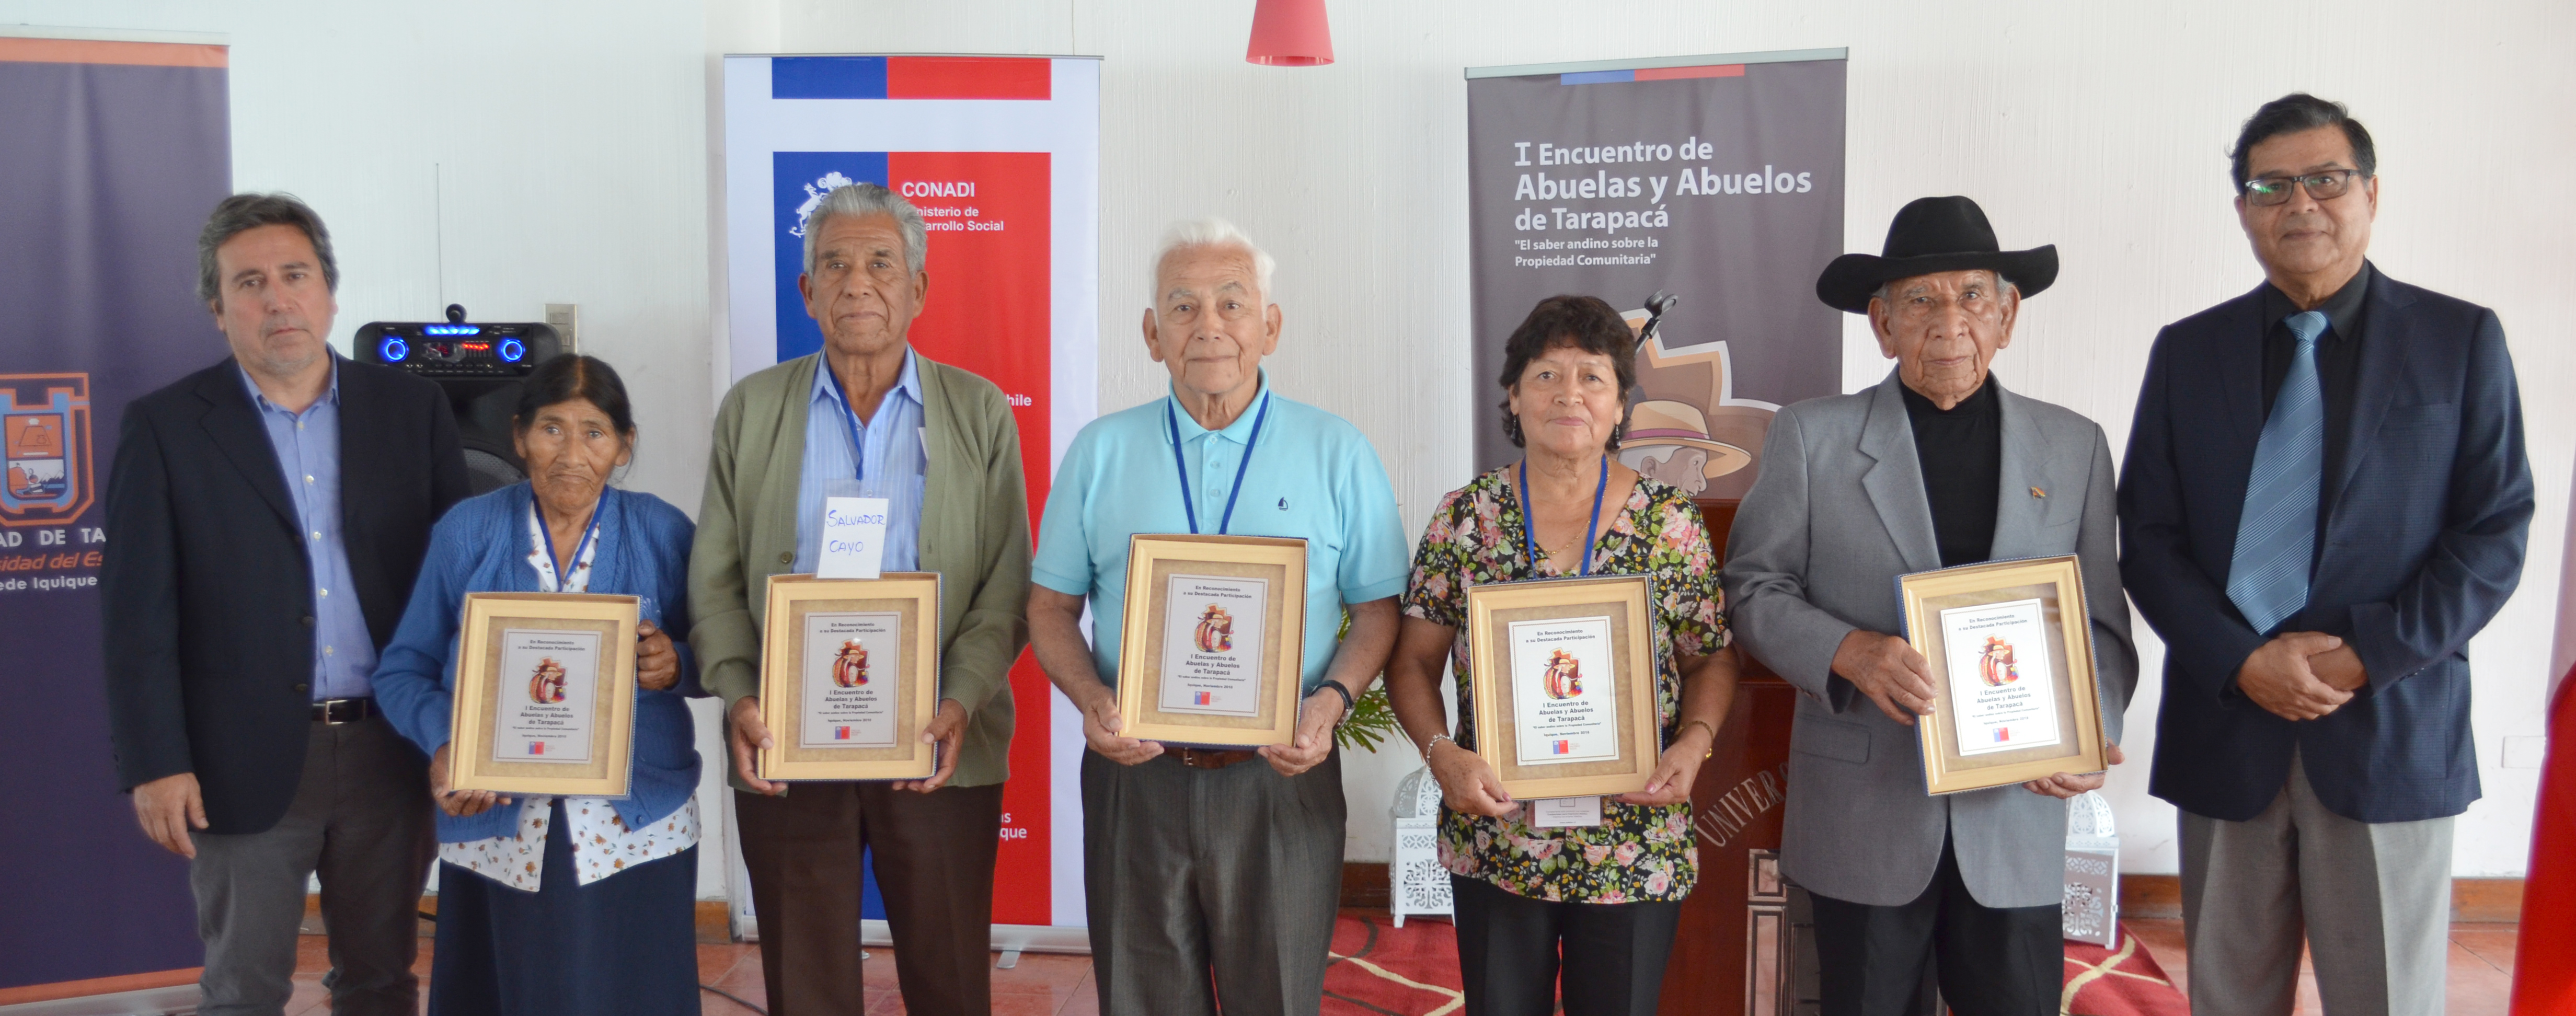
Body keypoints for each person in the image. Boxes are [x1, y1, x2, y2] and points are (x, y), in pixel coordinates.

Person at [2119, 94, 2533, 1016]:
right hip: (2225, 722)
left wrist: (2364, 654)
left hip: (2387, 724)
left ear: (2369, 193)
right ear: (2241, 209)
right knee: (2226, 995)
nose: (2299, 202)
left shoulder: (2458, 339)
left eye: (2324, 178)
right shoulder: (2187, 351)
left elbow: (2493, 528)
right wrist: (2241, 658)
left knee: (2387, 995)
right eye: (2270, 184)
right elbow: (2144, 535)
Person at [1721, 195, 2137, 1015]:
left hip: (2017, 812)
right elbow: (1753, 590)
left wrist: (2095, 731)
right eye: (1920, 300)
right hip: (1865, 816)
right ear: (1882, 324)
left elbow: (2100, 621)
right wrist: (1848, 651)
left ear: (2008, 314)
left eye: (1972, 295)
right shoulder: (1812, 437)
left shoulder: (2076, 444)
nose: (1951, 319)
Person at [1026, 218, 1409, 1015]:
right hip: (1137, 776)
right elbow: (1051, 608)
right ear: (1150, 332)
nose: (1210, 327)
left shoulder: (1338, 451)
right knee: (1140, 999)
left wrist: (1329, 705)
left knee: (1276, 997)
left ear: (1269, 326)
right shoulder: (1100, 452)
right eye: (1183, 306)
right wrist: (1094, 702)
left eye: (1233, 304)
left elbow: (1377, 612)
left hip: (1281, 776)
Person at [100, 193, 468, 1015]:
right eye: (251, 283)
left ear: (330, 293)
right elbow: (137, 617)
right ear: (218, 310)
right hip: (241, 759)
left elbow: (458, 591)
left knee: (382, 982)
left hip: (392, 749)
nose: (277, 300)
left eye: (295, 276)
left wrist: (461, 732)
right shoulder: (165, 428)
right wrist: (155, 761)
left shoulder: (413, 412)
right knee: (243, 990)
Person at [691, 182, 1032, 1016]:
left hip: (935, 737)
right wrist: (740, 694)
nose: (857, 283)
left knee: (950, 972)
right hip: (790, 738)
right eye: (834, 265)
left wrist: (958, 702)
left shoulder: (979, 411)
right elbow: (716, 578)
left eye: (882, 263)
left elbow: (1006, 584)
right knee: (806, 982)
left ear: (919, 288)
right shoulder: (752, 411)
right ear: (806, 293)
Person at [1383, 295, 1740, 1016]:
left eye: (1593, 377)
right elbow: (1413, 661)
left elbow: (1711, 657)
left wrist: (1697, 742)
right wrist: (1439, 752)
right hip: (1498, 830)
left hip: (1634, 836)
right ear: (1513, 395)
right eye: (1547, 375)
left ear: (1620, 406)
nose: (1569, 394)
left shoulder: (1670, 523)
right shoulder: (1466, 518)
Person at [367, 354, 702, 1014]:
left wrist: (676, 665)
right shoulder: (469, 531)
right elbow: (402, 669)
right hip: (499, 827)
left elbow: (717, 652)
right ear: (519, 437)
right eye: (552, 429)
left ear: (624, 445)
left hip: (636, 830)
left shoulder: (661, 530)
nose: (571, 453)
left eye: (595, 432)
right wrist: (447, 746)